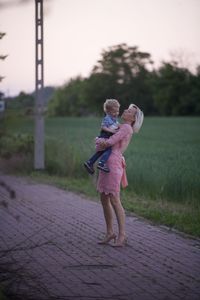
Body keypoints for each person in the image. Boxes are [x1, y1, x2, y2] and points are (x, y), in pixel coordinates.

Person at [96, 104, 144, 247]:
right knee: (104, 198)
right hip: (108, 163)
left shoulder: (126, 128)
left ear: (133, 118)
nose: (124, 111)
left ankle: (122, 235)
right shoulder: (120, 126)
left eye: (129, 111)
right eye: (127, 109)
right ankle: (110, 232)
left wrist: (98, 140)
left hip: (113, 164)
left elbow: (110, 142)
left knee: (114, 199)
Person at [84, 99, 120, 174]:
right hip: (105, 137)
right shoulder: (107, 118)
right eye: (114, 112)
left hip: (106, 137)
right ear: (108, 111)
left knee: (100, 151)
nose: (116, 113)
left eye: (117, 111)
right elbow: (103, 127)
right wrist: (112, 131)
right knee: (108, 150)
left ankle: (90, 162)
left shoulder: (114, 119)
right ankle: (101, 163)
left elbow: (117, 125)